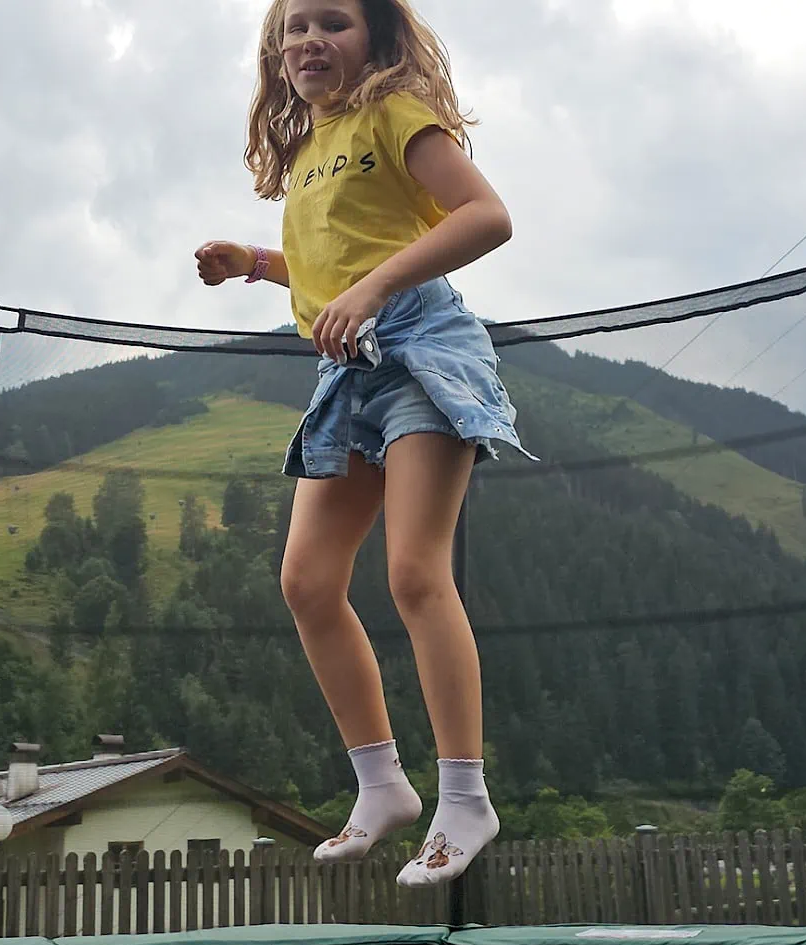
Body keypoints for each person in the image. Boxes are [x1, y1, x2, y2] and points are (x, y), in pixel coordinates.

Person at [194, 0, 536, 889]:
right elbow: (337, 262)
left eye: (333, 22)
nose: (309, 39)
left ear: (376, 40)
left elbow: (486, 216)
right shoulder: (308, 153)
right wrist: (257, 262)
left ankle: (466, 796)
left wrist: (376, 291)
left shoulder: (395, 115)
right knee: (307, 581)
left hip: (423, 350)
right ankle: (381, 785)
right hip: (347, 370)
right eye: (294, 26)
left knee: (415, 572)